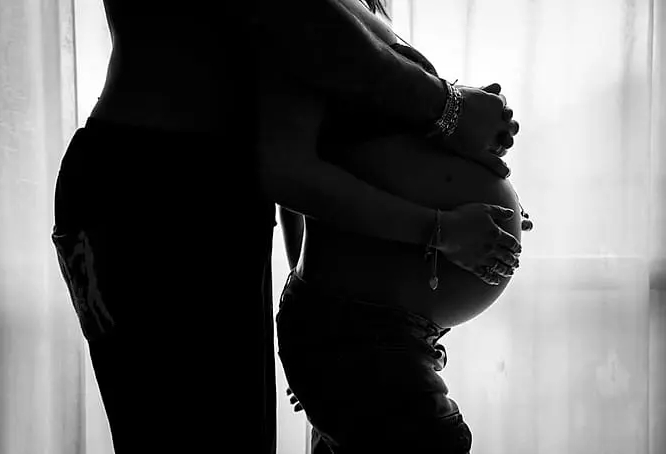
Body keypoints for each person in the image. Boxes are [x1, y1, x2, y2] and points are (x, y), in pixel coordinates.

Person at [50, 1, 523, 453]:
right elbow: (295, 33)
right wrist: (448, 112)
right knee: (185, 435)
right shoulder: (303, 23)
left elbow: (313, 137)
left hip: (205, 193)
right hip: (154, 190)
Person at [260, 0, 535, 452]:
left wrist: (463, 153)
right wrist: (442, 227)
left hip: (370, 332)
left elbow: (354, 158)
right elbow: (288, 176)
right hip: (359, 333)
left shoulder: (357, 11)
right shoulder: (302, 17)